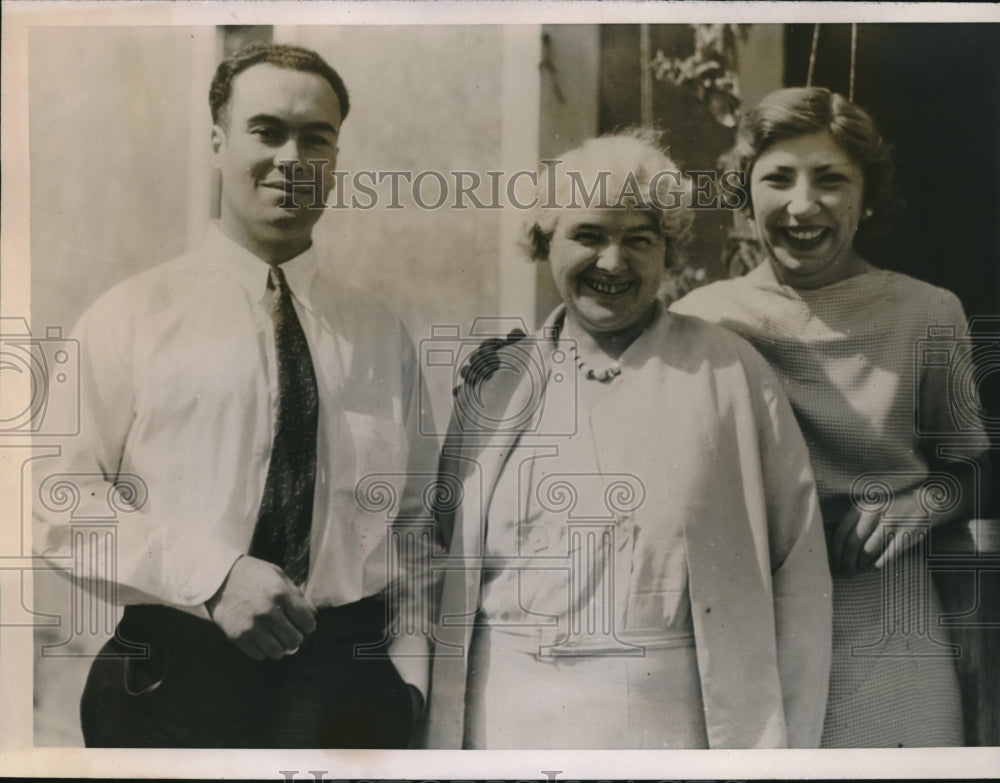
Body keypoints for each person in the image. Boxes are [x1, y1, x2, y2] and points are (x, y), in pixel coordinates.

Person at [33, 43, 436, 748]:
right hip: (174, 687)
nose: (292, 157)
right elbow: (52, 501)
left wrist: (410, 686)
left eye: (317, 138)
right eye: (267, 130)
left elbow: (416, 526)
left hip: (346, 697)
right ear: (218, 143)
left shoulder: (380, 334)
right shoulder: (133, 315)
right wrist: (213, 576)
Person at [424, 131, 833, 749]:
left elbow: (799, 575)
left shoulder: (729, 373)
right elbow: (438, 549)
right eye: (588, 236)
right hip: (505, 720)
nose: (613, 263)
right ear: (545, 243)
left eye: (638, 240)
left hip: (668, 724)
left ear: (667, 251)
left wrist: (784, 754)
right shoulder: (497, 384)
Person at [672, 87, 992, 747]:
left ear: (868, 195)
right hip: (750, 624)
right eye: (778, 178)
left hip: (888, 625)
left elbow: (979, 468)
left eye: (832, 179)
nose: (802, 204)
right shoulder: (701, 320)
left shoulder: (927, 313)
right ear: (745, 193)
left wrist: (930, 498)